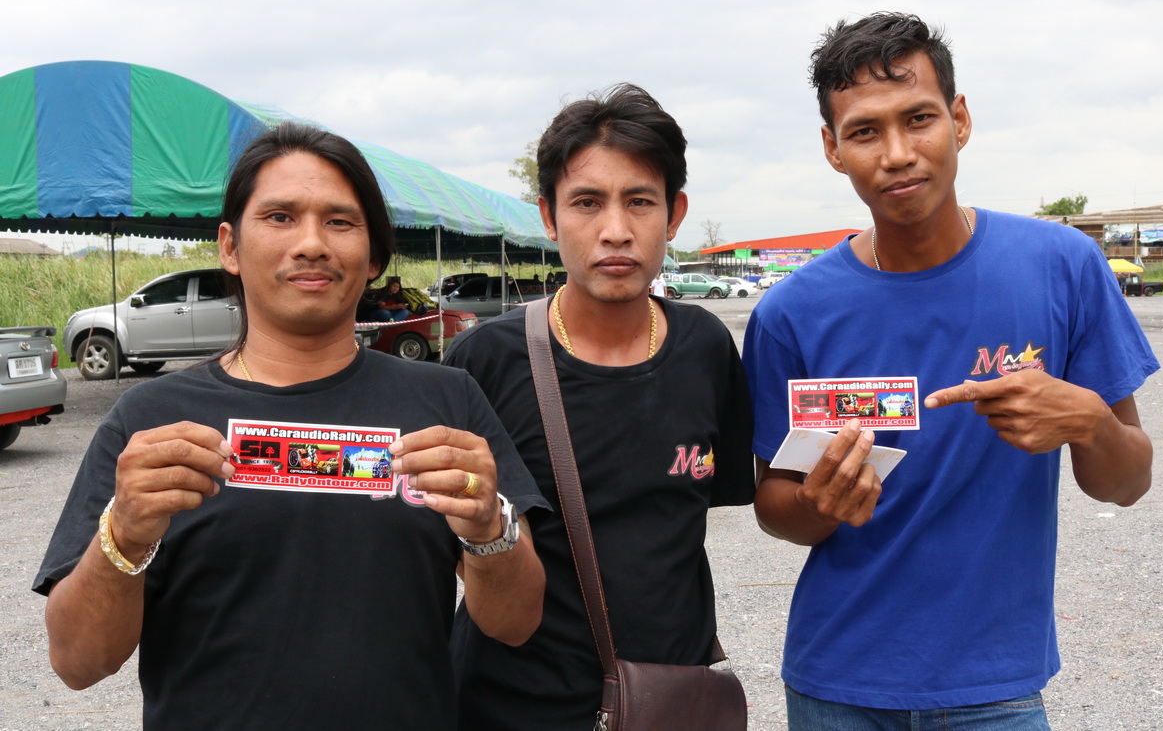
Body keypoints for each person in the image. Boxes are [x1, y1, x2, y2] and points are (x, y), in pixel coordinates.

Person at [33, 122, 547, 731]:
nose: (311, 244)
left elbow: (516, 623)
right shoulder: (150, 421)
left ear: (375, 256)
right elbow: (78, 663)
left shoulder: (448, 402)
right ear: (230, 246)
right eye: (279, 217)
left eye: (340, 221)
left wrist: (490, 527)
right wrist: (123, 535)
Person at [743, 13, 1158, 729]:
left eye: (919, 118)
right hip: (836, 682)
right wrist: (820, 501)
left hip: (995, 687)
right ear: (832, 148)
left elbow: (1126, 483)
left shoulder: (1061, 267)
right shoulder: (791, 313)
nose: (898, 154)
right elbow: (773, 505)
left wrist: (1089, 421)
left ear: (959, 120)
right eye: (864, 131)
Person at [446, 83, 755, 730]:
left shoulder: (704, 347)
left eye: (639, 201)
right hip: (512, 708)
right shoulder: (484, 362)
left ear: (674, 214)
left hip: (667, 704)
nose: (615, 230)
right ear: (549, 215)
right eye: (586, 202)